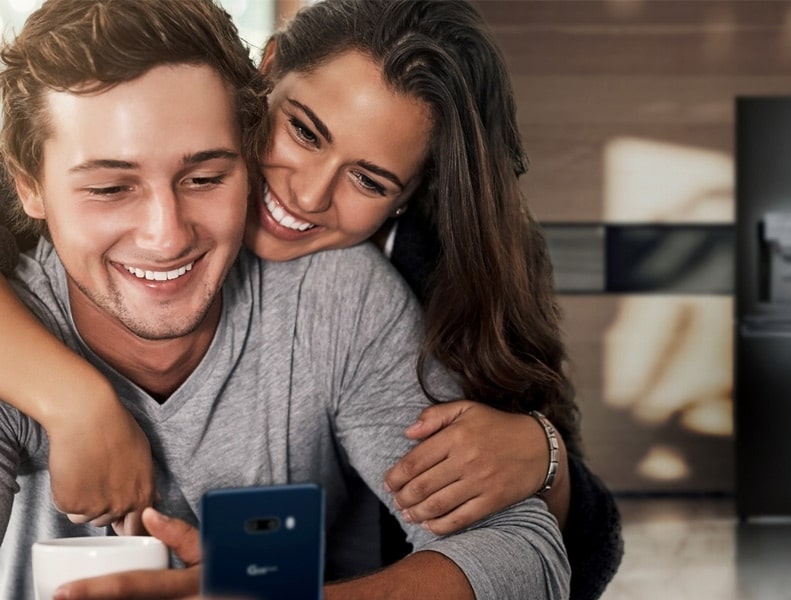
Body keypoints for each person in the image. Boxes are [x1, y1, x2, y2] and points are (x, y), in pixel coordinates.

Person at [0, 0, 622, 597]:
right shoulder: (25, 315)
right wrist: (77, 403)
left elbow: (525, 551)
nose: (166, 235)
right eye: (110, 187)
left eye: (206, 177)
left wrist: (547, 453)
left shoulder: (349, 296)